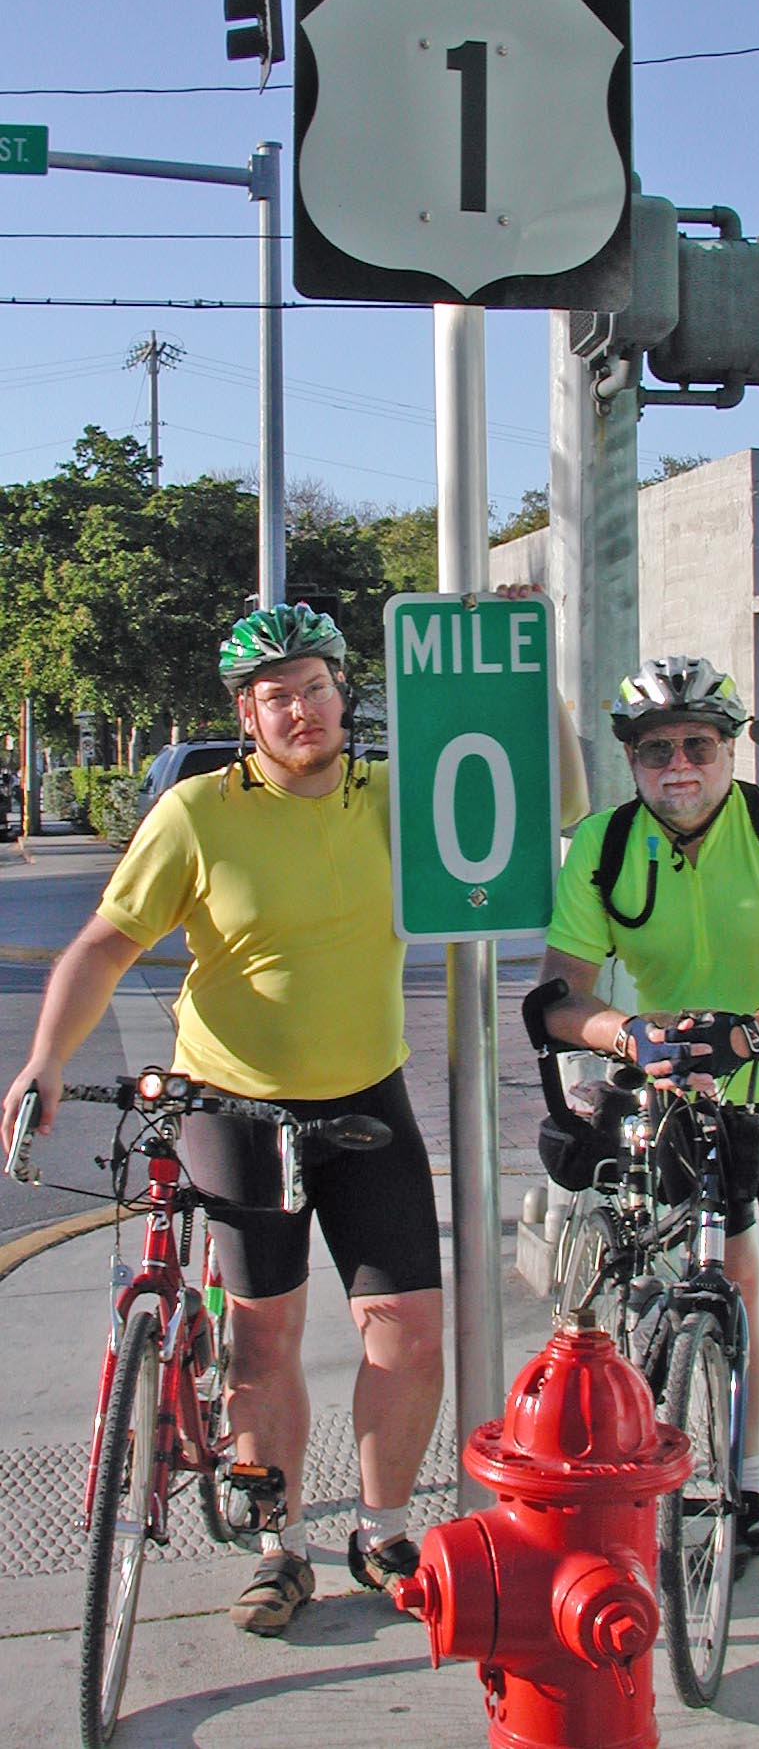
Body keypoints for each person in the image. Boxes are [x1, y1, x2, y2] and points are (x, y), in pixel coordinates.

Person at [2, 598, 588, 1638]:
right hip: (232, 1101)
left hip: (366, 1094)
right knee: (266, 1340)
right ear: (246, 710)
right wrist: (43, 1060)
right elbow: (102, 943)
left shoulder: (393, 797)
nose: (302, 709)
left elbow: (552, 815)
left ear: (341, 692)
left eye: (316, 687)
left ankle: (380, 1527)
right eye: (277, 696)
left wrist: (533, 679)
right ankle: (277, 1548)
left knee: (407, 1333)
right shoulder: (197, 814)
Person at [537, 655, 759, 1632]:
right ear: (632, 762)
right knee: (721, 1287)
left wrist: (755, 1030)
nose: (676, 763)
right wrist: (624, 1033)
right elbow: (562, 995)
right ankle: (744, 1482)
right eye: (654, 750)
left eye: (696, 745)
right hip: (679, 1095)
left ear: (729, 748)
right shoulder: (600, 847)